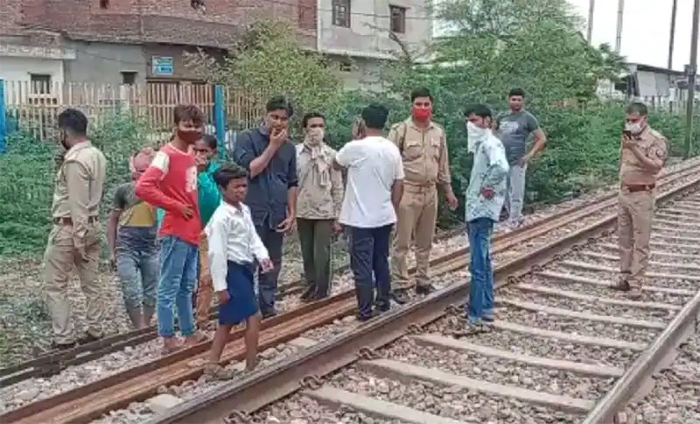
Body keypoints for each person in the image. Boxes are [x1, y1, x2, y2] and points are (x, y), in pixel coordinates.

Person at [135, 104, 204, 354]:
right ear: (176, 126)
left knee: (186, 285)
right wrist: (175, 206)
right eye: (187, 125)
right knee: (169, 285)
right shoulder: (166, 154)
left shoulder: (190, 155)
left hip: (191, 230)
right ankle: (167, 337)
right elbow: (143, 187)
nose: (192, 130)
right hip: (175, 230)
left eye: (197, 126)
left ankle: (188, 331)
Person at [44, 108, 107, 349]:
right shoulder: (96, 155)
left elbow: (77, 203)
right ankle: (96, 328)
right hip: (93, 225)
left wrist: (78, 238)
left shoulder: (75, 160)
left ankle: (64, 337)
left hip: (70, 229)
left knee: (55, 284)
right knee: (91, 283)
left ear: (64, 131)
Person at [334, 104, 404, 322]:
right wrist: (391, 207)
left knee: (362, 265)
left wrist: (356, 138)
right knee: (381, 260)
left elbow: (335, 164)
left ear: (362, 122)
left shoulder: (355, 148)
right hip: (384, 215)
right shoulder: (392, 149)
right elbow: (399, 183)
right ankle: (383, 301)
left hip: (359, 218)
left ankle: (365, 310)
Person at [388, 88, 458, 303]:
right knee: (402, 241)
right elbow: (389, 163)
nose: (422, 108)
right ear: (411, 105)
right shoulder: (400, 131)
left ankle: (423, 280)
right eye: (418, 104)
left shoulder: (438, 132)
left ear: (432, 105)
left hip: (430, 192)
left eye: (426, 104)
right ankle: (399, 283)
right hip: (407, 191)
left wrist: (449, 191)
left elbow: (443, 163)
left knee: (426, 240)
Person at [204, 164, 272, 380]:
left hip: (244, 269)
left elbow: (252, 237)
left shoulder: (245, 210)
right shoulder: (221, 218)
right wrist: (220, 287)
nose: (242, 190)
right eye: (236, 187)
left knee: (228, 321)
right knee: (254, 315)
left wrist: (262, 255)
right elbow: (216, 254)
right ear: (223, 190)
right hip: (231, 271)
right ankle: (251, 364)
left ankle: (212, 364)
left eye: (244, 186)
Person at [233, 96, 298, 319]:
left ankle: (267, 305)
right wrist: (272, 147)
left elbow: (292, 181)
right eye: (275, 117)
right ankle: (246, 309)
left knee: (272, 262)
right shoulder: (247, 138)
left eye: (283, 119)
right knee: (248, 261)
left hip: (277, 213)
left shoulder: (289, 148)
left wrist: (292, 212)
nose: (278, 123)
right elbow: (250, 170)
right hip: (252, 211)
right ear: (265, 115)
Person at [462, 104, 509, 335]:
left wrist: (486, 187)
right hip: (479, 209)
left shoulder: (490, 144)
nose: (472, 125)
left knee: (478, 263)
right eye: (469, 121)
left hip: (481, 210)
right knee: (484, 259)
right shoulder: (482, 145)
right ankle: (487, 306)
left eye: (476, 120)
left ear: (487, 121)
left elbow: (501, 167)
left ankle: (476, 312)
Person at [615, 102, 667, 299]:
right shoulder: (627, 136)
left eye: (634, 120)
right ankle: (625, 278)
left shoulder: (655, 140)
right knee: (624, 239)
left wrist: (635, 148)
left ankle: (637, 284)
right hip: (625, 193)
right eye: (627, 120)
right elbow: (623, 160)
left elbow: (655, 167)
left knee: (641, 241)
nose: (630, 123)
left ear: (644, 118)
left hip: (642, 194)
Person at [107, 149, 159, 329]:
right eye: (140, 171)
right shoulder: (124, 191)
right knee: (129, 289)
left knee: (151, 291)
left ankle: (145, 324)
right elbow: (113, 221)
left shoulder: (159, 190)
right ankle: (139, 327)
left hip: (152, 247)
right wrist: (111, 251)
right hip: (126, 247)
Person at [295, 112, 344, 302]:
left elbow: (337, 186)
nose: (317, 129)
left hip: (325, 211)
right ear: (304, 129)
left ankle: (322, 290)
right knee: (306, 251)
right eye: (313, 125)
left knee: (321, 252)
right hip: (302, 209)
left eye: (320, 125)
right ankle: (311, 284)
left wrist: (338, 215)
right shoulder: (296, 153)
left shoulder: (331, 155)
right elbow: (291, 183)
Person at [493, 88, 546, 229]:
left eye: (519, 100)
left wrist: (529, 155)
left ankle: (514, 220)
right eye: (513, 99)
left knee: (516, 191)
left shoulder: (528, 118)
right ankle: (516, 216)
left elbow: (541, 138)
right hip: (502, 160)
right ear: (508, 100)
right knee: (503, 192)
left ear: (523, 101)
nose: (516, 102)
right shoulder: (501, 116)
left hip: (518, 160)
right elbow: (493, 133)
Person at [192, 134, 222, 328]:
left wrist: (201, 174)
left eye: (204, 151)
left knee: (206, 277)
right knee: (187, 277)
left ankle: (202, 319)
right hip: (185, 231)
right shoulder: (182, 170)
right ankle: (188, 316)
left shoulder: (218, 173)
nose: (199, 154)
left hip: (209, 232)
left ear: (213, 152)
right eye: (195, 150)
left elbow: (215, 200)